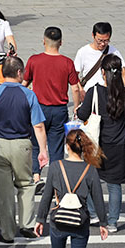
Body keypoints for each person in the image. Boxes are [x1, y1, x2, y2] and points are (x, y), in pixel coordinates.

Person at [0, 56, 50, 242]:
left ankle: (7, 233)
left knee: (4, 191)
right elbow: (38, 126)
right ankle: (27, 225)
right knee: (26, 185)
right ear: (18, 73)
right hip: (22, 145)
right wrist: (43, 150)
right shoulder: (28, 94)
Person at [34, 130, 108, 248]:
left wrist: (40, 219)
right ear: (83, 147)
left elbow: (47, 195)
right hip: (80, 221)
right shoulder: (90, 170)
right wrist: (103, 223)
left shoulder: (56, 167)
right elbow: (98, 199)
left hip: (59, 220)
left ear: (67, 146)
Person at [76, 54, 125, 232]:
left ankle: (94, 214)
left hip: (97, 142)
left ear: (103, 72)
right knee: (114, 185)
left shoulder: (94, 92)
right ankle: (112, 222)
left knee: (92, 180)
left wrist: (79, 109)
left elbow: (83, 115)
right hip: (119, 143)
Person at [24, 27, 81, 182]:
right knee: (56, 147)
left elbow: (24, 83)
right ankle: (55, 181)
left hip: (38, 109)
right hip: (59, 110)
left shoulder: (34, 60)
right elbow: (75, 88)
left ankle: (36, 176)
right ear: (61, 43)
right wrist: (76, 106)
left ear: (44, 41)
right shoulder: (67, 62)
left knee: (36, 144)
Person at [74, 22, 125, 93]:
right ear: (93, 35)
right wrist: (80, 90)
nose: (102, 44)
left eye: (106, 40)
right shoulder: (83, 52)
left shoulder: (114, 52)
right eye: (99, 40)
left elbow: (124, 74)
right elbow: (74, 75)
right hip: (90, 94)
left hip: (109, 94)